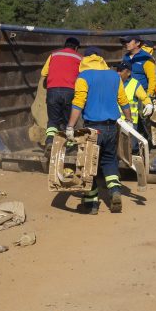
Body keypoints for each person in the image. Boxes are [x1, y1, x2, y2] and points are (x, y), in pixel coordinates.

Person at [66, 47, 132, 214]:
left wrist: (70, 126)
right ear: (101, 60)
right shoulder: (113, 76)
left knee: (88, 164)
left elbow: (78, 103)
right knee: (109, 161)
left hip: (92, 129)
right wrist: (129, 120)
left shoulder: (83, 77)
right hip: (111, 127)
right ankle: (115, 192)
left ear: (85, 60)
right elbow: (123, 100)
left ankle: (91, 204)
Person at [40, 37, 82, 147]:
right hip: (70, 91)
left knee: (53, 120)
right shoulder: (80, 58)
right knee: (68, 121)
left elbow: (43, 73)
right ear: (76, 48)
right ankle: (68, 147)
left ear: (65, 45)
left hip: (52, 90)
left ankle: (49, 141)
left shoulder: (53, 55)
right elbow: (83, 76)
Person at [117, 60, 152, 149]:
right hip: (115, 121)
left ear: (128, 73)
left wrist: (148, 104)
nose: (118, 72)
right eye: (117, 69)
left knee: (130, 148)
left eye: (121, 70)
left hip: (130, 122)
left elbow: (144, 97)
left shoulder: (135, 84)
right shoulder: (114, 82)